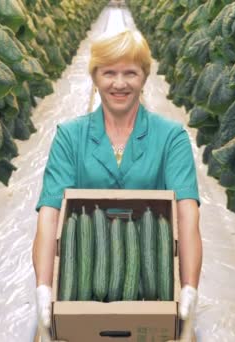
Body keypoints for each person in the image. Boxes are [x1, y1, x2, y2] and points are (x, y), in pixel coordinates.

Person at [32, 29, 202, 339]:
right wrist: (44, 286)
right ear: (95, 77)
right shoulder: (70, 136)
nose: (120, 83)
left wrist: (189, 286)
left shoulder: (171, 137)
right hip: (86, 275)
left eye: (130, 73)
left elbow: (188, 215)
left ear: (145, 77)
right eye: (109, 72)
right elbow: (50, 212)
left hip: (151, 279)